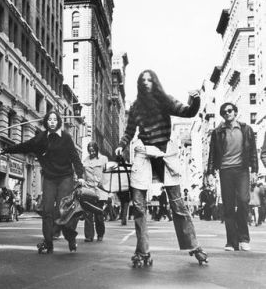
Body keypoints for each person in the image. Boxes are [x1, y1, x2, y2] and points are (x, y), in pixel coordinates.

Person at [114, 69, 207, 266]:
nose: (146, 83)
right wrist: (121, 145)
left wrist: (195, 100)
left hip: (165, 154)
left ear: (155, 82)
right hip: (144, 154)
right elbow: (129, 131)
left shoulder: (165, 100)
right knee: (139, 206)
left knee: (178, 205)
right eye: (143, 80)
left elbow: (188, 112)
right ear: (140, 84)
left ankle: (194, 246)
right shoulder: (137, 107)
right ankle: (143, 251)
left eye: (150, 79)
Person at [0, 111, 84, 254]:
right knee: (46, 210)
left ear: (58, 122)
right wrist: (3, 151)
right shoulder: (41, 138)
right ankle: (48, 242)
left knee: (62, 211)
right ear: (46, 122)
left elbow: (75, 157)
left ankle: (71, 238)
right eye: (49, 119)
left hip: (65, 177)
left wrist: (80, 175)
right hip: (50, 178)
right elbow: (24, 146)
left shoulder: (66, 138)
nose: (52, 122)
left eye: (55, 119)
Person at [208, 102, 258, 252]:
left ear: (235, 112)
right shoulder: (217, 132)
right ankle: (231, 241)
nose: (227, 113)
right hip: (225, 170)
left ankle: (244, 238)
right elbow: (212, 154)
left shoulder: (246, 129)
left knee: (243, 201)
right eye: (224, 112)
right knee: (228, 206)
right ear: (222, 115)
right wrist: (210, 172)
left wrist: (254, 170)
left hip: (242, 170)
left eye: (230, 111)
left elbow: (253, 152)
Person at [80, 141, 108, 242]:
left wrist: (108, 191)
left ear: (97, 150)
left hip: (100, 190)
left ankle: (100, 234)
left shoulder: (104, 159)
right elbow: (83, 175)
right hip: (88, 190)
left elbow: (107, 175)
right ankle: (89, 236)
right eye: (90, 151)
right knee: (87, 213)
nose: (91, 153)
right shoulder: (85, 160)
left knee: (98, 214)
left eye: (93, 151)